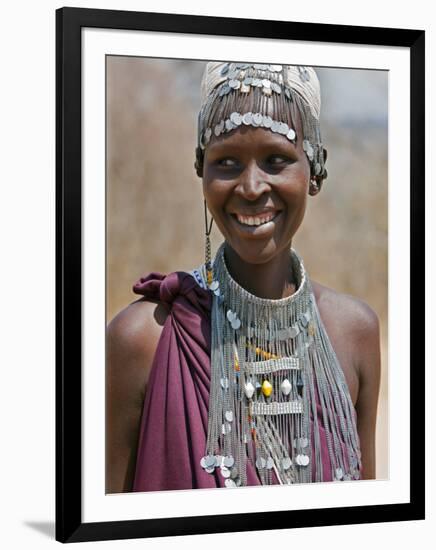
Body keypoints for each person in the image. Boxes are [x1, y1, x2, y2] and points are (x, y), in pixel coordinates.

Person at [106, 61, 381, 493]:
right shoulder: (143, 339)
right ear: (202, 172)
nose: (251, 187)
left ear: (315, 171)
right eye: (228, 162)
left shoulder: (354, 333)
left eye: (276, 160)